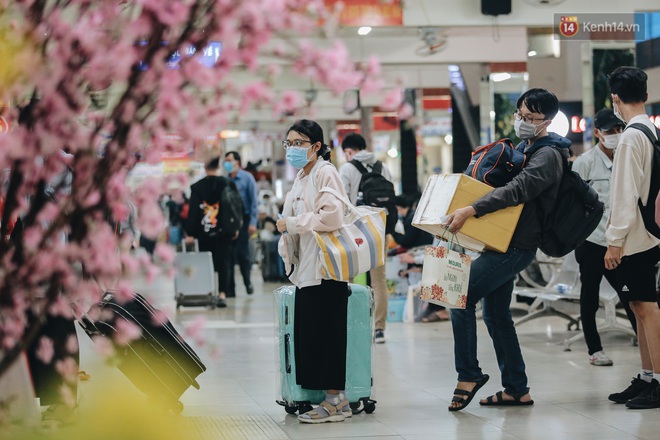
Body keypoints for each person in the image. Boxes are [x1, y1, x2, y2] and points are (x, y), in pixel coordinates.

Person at [444, 88, 569, 411]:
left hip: (518, 246)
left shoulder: (549, 154)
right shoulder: (528, 147)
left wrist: (472, 209)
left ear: (549, 121)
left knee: (461, 298)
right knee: (497, 314)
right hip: (501, 242)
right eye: (520, 115)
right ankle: (516, 389)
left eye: (531, 118)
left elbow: (519, 189)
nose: (523, 122)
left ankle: (468, 374)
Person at [276, 119, 351, 423]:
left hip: (326, 269)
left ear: (316, 146)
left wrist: (292, 224)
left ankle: (337, 402)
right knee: (312, 336)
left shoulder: (325, 172)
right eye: (289, 144)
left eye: (299, 143)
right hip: (307, 270)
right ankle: (327, 399)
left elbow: (332, 216)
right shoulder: (301, 176)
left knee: (328, 335)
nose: (292, 149)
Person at [605, 67, 660, 409]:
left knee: (646, 307)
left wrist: (615, 241)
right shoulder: (650, 129)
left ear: (615, 98)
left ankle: (658, 382)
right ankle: (647, 377)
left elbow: (624, 193)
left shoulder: (629, 137)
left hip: (636, 237)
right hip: (648, 232)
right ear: (646, 93)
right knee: (640, 307)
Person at [572, 108, 637, 367]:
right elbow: (575, 205)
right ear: (597, 133)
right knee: (590, 295)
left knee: (630, 295)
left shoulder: (626, 159)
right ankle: (594, 349)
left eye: (619, 129)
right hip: (591, 242)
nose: (616, 135)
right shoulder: (585, 163)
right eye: (610, 131)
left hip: (619, 242)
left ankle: (646, 342)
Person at [339, 132, 391, 344]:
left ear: (349, 151)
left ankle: (353, 323)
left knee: (349, 277)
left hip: (356, 229)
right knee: (379, 280)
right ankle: (379, 329)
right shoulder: (382, 166)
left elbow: (341, 201)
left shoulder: (347, 168)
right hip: (380, 228)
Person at [185, 157, 239, 308]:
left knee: (207, 263)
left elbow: (193, 211)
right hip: (225, 231)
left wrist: (190, 232)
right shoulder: (228, 184)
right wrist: (234, 227)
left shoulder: (197, 187)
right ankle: (222, 294)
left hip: (204, 232)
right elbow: (235, 206)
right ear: (219, 167)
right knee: (225, 263)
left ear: (204, 167)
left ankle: (209, 292)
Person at [393, 194, 449, 322]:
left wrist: (414, 259)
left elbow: (439, 254)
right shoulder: (439, 230)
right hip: (434, 257)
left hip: (440, 261)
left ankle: (440, 311)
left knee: (431, 274)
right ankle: (436, 310)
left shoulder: (443, 229)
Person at [224, 151, 258, 295]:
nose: (227, 163)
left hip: (244, 220)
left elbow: (254, 202)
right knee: (229, 255)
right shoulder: (225, 180)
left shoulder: (247, 178)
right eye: (225, 160)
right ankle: (230, 289)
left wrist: (253, 223)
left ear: (237, 162)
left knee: (242, 254)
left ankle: (247, 282)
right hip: (229, 222)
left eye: (229, 160)